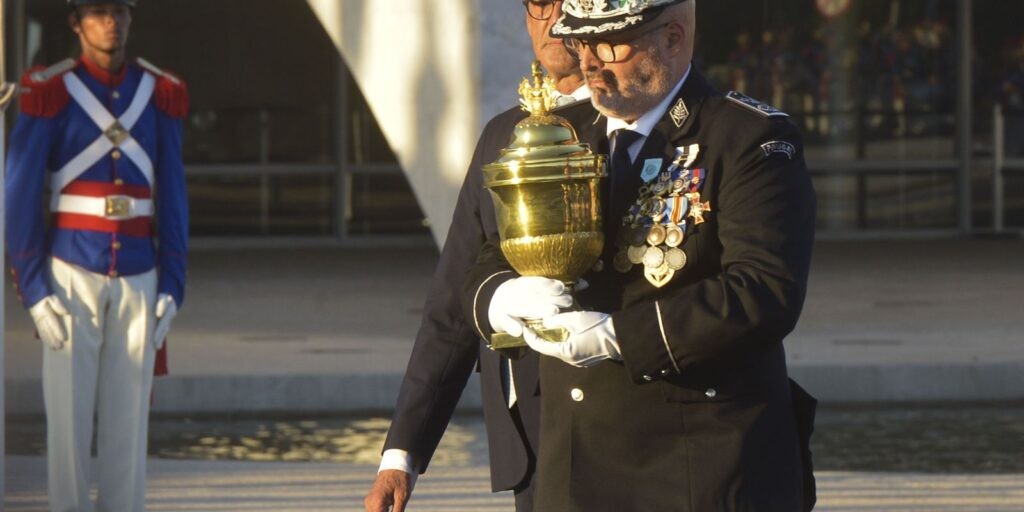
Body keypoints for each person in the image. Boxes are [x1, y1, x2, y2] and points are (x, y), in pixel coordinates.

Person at [462, 1, 818, 510]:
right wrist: (501, 298)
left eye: (609, 45)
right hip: (577, 466)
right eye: (582, 43)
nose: (588, 62)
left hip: (697, 464)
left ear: (672, 38)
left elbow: (763, 291)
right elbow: (490, 252)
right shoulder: (565, 133)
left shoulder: (746, 137)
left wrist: (619, 336)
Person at [363, 2, 605, 512]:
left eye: (567, 2)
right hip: (528, 428)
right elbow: (453, 300)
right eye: (539, 5)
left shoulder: (629, 127)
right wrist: (401, 454)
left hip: (613, 420)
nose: (553, 20)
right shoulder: (503, 134)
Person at [4, 1, 188, 510]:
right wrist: (33, 289)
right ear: (75, 22)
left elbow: (173, 195)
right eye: (98, 11)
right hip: (70, 273)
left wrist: (173, 283)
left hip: (139, 272)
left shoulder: (158, 92)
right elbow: (19, 195)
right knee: (67, 425)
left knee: (129, 427)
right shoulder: (50, 91)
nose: (111, 22)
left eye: (120, 11)